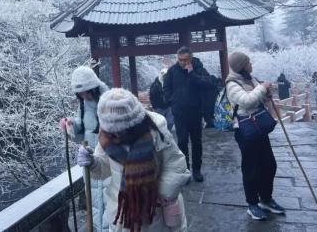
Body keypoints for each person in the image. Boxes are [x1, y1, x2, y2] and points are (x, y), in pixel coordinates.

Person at [76, 88, 190, 232]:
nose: (116, 134)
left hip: (154, 211)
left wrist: (159, 193)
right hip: (122, 212)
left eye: (120, 128)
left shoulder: (155, 131)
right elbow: (103, 169)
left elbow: (177, 166)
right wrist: (92, 163)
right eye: (112, 129)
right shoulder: (107, 136)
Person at [225, 51, 286, 221]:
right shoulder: (232, 83)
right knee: (251, 168)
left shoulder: (249, 78)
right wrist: (261, 87)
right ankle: (252, 204)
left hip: (258, 127)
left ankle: (266, 199)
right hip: (245, 131)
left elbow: (259, 100)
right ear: (241, 65)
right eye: (248, 62)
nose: (251, 65)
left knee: (269, 164)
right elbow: (246, 101)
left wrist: (267, 93)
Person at [60, 66, 110, 232]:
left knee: (110, 202)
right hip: (89, 161)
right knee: (95, 203)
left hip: (108, 161)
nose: (84, 96)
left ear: (94, 87)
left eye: (87, 92)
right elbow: (82, 135)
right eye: (80, 94)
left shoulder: (109, 102)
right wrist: (71, 126)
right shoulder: (83, 105)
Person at [162, 46, 213, 182]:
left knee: (197, 142)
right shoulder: (172, 71)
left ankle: (197, 169)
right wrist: (172, 100)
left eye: (185, 60)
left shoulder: (199, 68)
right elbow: (166, 87)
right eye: (180, 59)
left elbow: (208, 83)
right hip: (180, 113)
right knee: (182, 141)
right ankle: (185, 170)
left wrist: (192, 74)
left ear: (190, 58)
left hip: (196, 112)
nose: (182, 62)